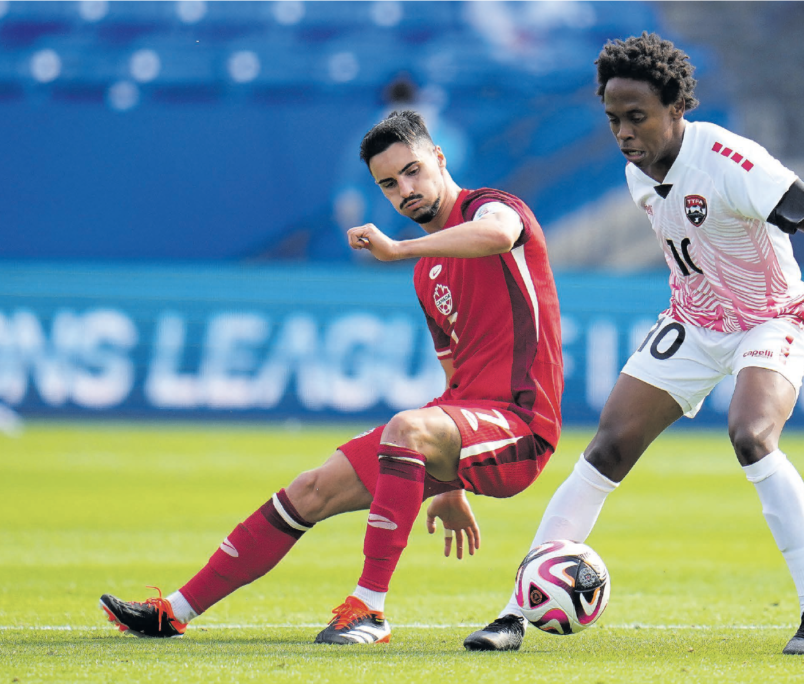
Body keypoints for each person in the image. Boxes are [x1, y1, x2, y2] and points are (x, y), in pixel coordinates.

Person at [463, 33, 804, 656]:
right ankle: (514, 612)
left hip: (770, 317)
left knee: (750, 435)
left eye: (637, 117)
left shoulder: (732, 160)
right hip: (693, 321)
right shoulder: (638, 174)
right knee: (608, 447)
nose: (623, 133)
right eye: (613, 119)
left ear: (676, 108)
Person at [99, 110, 564, 646]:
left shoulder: (493, 209)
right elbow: (456, 378)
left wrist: (398, 248)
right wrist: (449, 480)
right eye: (388, 184)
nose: (404, 190)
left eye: (413, 171)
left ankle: (369, 609)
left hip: (523, 425)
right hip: (471, 425)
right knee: (310, 489)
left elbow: (498, 236)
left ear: (439, 158)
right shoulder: (427, 272)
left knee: (406, 428)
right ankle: (174, 611)